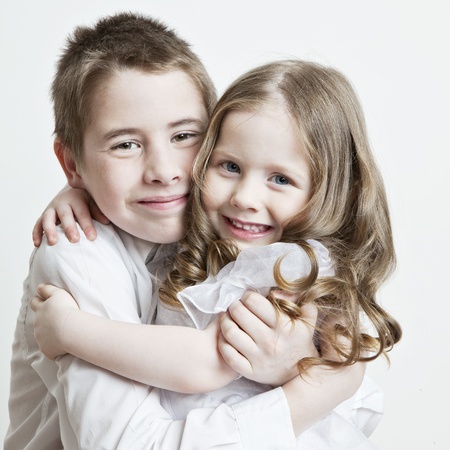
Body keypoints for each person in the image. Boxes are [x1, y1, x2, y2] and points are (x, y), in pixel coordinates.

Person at [5, 12, 374, 450]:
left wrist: (315, 370)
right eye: (125, 144)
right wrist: (314, 390)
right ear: (71, 164)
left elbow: (358, 389)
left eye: (184, 136)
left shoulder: (238, 239)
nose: (163, 172)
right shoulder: (76, 249)